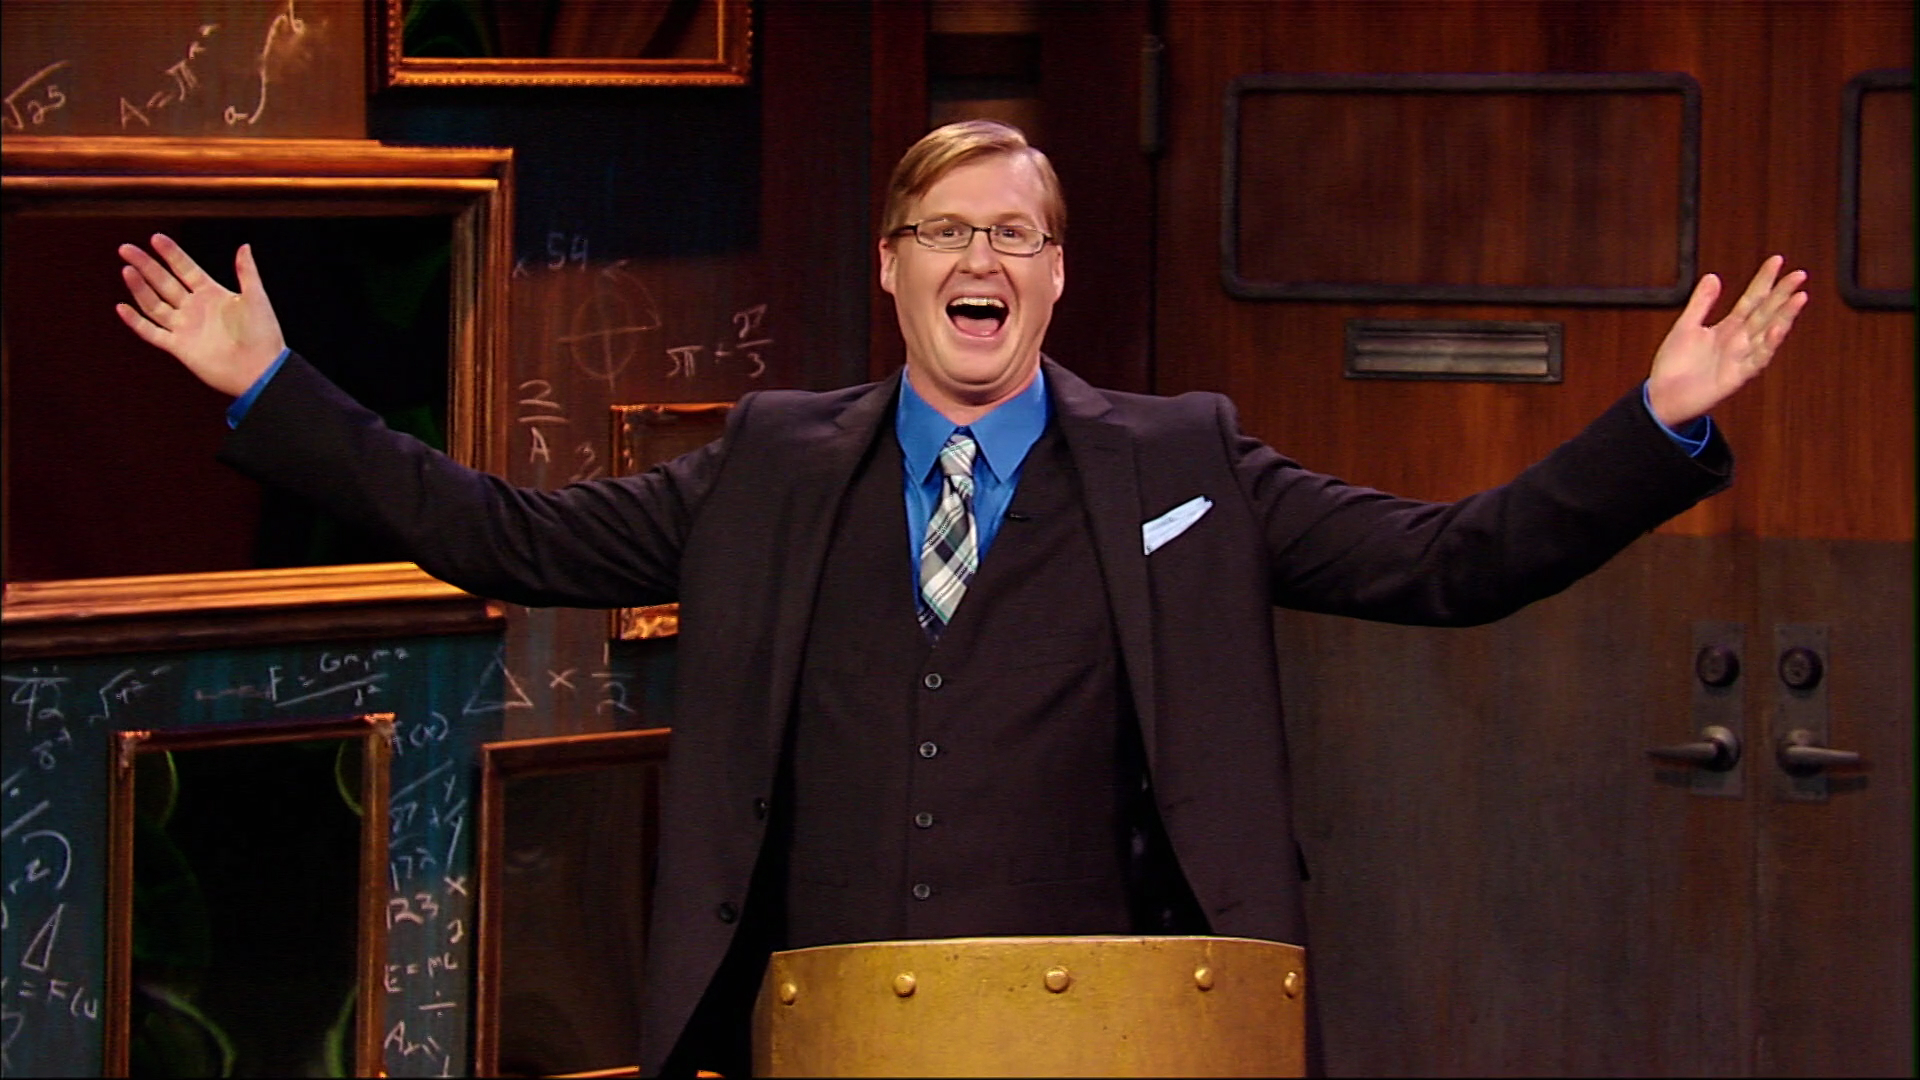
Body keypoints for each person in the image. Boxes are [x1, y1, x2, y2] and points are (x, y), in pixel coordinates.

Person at [116, 120, 1807, 1077]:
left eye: (1013, 234)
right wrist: (277, 392)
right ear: (891, 266)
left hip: (1110, 1043)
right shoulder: (771, 467)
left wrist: (1653, 426)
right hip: (826, 1036)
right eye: (943, 232)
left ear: (1056, 275)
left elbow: (1454, 564)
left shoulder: (1188, 465)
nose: (978, 261)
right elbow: (511, 538)